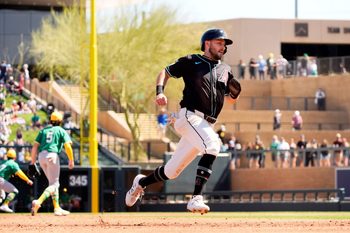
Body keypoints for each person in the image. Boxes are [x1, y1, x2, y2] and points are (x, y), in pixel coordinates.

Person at [125, 28, 238, 214]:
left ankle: (140, 183)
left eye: (224, 44)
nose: (223, 47)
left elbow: (231, 98)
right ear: (207, 43)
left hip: (206, 124)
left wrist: (234, 94)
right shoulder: (192, 61)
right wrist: (160, 91)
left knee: (172, 171)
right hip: (189, 116)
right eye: (219, 42)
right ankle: (196, 199)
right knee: (212, 146)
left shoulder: (225, 70)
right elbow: (165, 71)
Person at [30, 111, 75, 216]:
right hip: (52, 156)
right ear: (60, 121)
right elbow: (68, 146)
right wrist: (71, 160)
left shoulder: (43, 131)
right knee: (55, 184)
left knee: (53, 183)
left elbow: (35, 147)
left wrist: (32, 162)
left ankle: (57, 208)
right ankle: (38, 202)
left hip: (41, 157)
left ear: (50, 120)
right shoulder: (61, 130)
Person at [0, 149, 33, 213]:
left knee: (2, 196)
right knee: (14, 191)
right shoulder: (13, 164)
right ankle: (5, 205)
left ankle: (3, 204)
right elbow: (20, 173)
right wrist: (28, 180)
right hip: (0, 180)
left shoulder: (3, 162)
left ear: (7, 156)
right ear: (15, 157)